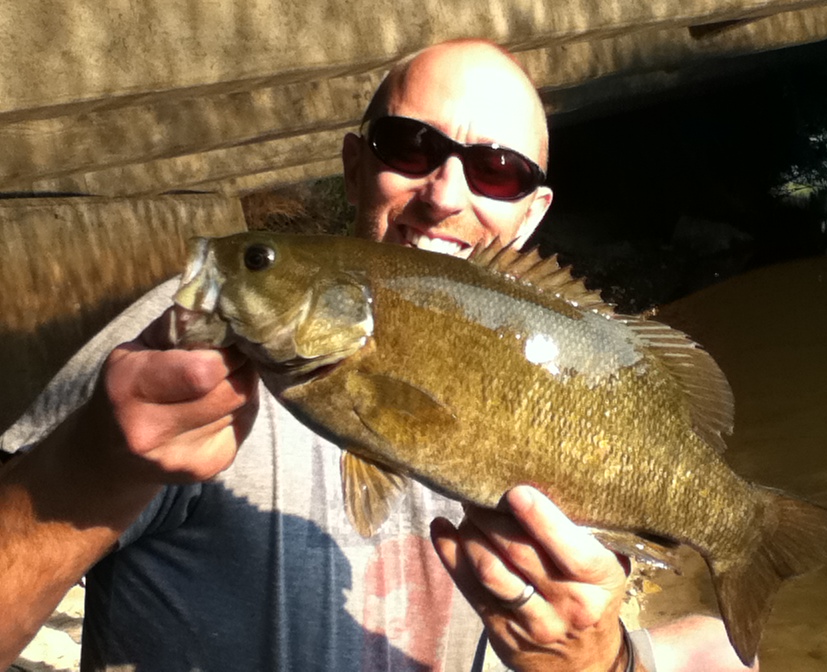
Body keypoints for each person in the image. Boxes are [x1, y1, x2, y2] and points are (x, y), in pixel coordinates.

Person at [0, 39, 755, 672]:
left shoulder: (573, 370)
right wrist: (90, 466)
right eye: (411, 146)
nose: (445, 194)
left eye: (497, 170)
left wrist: (598, 661)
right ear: (355, 166)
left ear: (532, 215)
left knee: (721, 653)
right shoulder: (165, 355)